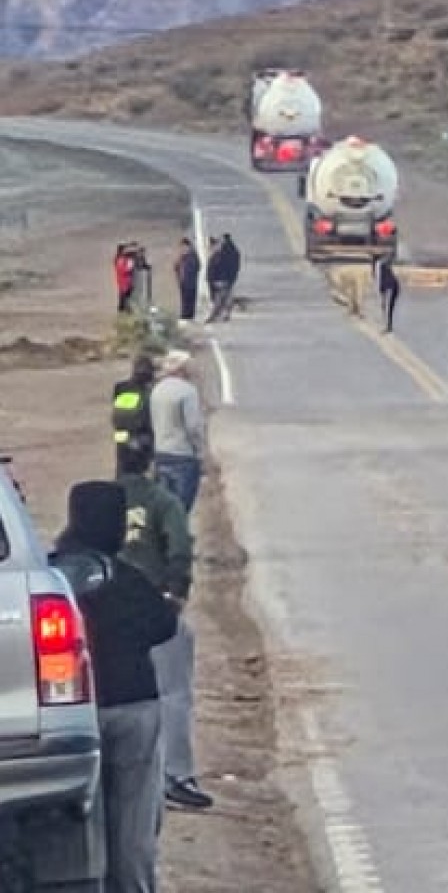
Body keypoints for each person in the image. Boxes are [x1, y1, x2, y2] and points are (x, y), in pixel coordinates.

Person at [52, 481, 179, 893]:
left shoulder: (53, 578)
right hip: (134, 705)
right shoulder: (129, 580)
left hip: (74, 712)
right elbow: (164, 624)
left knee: (79, 819)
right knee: (135, 822)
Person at [117, 430, 206, 812]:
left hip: (108, 614)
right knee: (173, 692)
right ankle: (176, 775)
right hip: (153, 607)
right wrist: (177, 592)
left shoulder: (103, 502)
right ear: (151, 461)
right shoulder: (161, 500)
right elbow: (180, 548)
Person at [149, 350, 207, 514]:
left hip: (161, 453)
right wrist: (202, 452)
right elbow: (193, 426)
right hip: (183, 456)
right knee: (181, 510)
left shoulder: (157, 390)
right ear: (182, 369)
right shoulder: (187, 391)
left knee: (165, 509)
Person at [111, 355, 157, 477]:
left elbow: (119, 418)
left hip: (121, 436)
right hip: (141, 436)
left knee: (122, 470)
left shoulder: (121, 387)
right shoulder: (149, 391)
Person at [204, 234, 240, 323]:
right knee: (225, 298)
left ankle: (215, 316)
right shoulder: (229, 252)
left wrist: (213, 280)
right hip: (225, 280)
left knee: (219, 299)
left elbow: (214, 269)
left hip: (220, 280)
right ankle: (224, 315)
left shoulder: (220, 255)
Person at [172, 238, 201, 322]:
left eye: (183, 247)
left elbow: (196, 267)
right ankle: (185, 315)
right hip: (183, 282)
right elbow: (176, 266)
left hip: (190, 282)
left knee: (189, 299)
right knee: (184, 299)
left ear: (188, 246)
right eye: (181, 247)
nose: (182, 249)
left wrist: (189, 274)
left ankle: (188, 316)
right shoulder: (182, 257)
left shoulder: (192, 255)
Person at [376, 255, 401, 334]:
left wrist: (382, 293)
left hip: (390, 287)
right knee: (389, 307)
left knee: (386, 307)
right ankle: (388, 326)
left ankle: (387, 327)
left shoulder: (380, 266)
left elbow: (380, 279)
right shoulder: (384, 265)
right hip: (394, 286)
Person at [113, 244, 135, 313]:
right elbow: (123, 270)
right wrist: (130, 266)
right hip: (124, 282)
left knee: (124, 300)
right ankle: (126, 313)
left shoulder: (121, 259)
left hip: (125, 282)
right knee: (124, 300)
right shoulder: (121, 260)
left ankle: (124, 313)